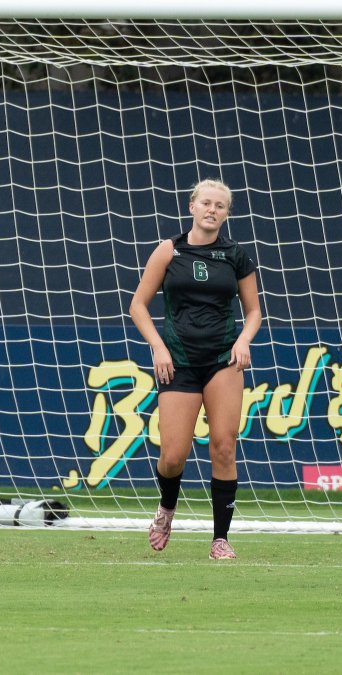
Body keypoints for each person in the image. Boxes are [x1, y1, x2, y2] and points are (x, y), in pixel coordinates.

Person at [129, 179, 262, 560]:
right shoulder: (169, 251)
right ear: (192, 206)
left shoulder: (236, 255)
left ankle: (220, 539)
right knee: (173, 456)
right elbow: (138, 305)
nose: (212, 210)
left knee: (224, 445)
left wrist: (243, 342)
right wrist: (158, 347)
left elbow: (253, 311)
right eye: (206, 203)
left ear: (226, 213)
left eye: (220, 206)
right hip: (179, 362)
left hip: (223, 359)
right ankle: (167, 508)